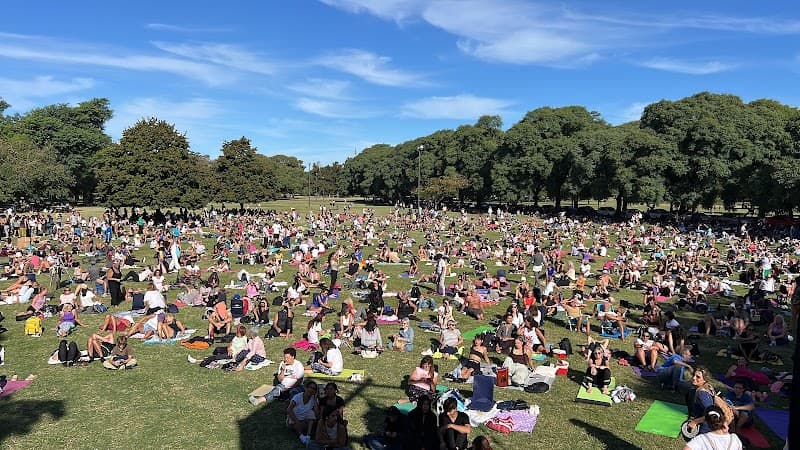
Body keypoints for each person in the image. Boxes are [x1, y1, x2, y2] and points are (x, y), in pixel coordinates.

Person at [686, 367, 723, 436]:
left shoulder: (702, 393)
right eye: (694, 375)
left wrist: (695, 422)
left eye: (698, 377)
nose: (694, 378)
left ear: (704, 379)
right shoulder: (707, 387)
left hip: (708, 428)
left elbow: (712, 414)